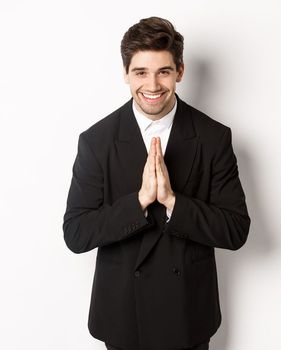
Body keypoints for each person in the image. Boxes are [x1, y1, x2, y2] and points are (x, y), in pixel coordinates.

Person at [63, 16, 251, 350]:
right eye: (140, 72)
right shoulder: (97, 141)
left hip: (188, 315)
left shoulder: (213, 138)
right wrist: (139, 202)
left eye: (163, 71)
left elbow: (236, 230)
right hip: (123, 318)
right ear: (125, 74)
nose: (152, 85)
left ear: (180, 71)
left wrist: (173, 202)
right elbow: (76, 234)